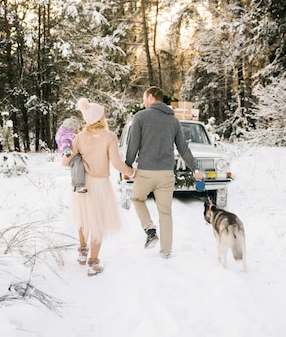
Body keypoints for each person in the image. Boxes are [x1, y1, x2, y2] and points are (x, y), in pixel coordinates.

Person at [125, 86, 204, 259]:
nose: (143, 101)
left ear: (152, 97)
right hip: (166, 174)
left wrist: (128, 165)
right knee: (165, 213)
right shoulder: (173, 120)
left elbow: (133, 145)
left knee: (138, 199)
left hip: (145, 171)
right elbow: (183, 148)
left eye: (144, 98)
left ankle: (150, 228)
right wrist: (195, 169)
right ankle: (166, 252)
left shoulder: (140, 117)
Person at [62, 98, 134, 276]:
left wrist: (72, 153)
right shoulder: (109, 136)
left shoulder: (79, 137)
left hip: (81, 183)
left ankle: (82, 253)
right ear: (101, 118)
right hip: (100, 185)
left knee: (83, 217)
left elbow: (65, 162)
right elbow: (117, 163)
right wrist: (131, 172)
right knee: (98, 222)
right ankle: (93, 263)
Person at [55, 117, 87, 193]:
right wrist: (66, 149)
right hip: (69, 153)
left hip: (74, 152)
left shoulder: (68, 132)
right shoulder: (66, 134)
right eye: (76, 129)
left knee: (77, 165)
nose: (77, 131)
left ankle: (77, 185)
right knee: (77, 164)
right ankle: (78, 185)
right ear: (72, 129)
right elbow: (65, 142)